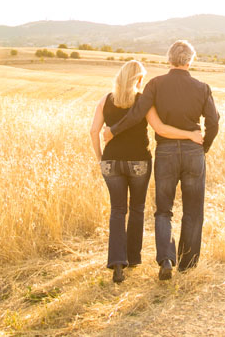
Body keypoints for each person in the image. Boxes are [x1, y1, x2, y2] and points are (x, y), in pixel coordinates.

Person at [104, 40, 220, 280]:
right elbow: (214, 121)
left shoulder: (155, 85)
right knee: (193, 211)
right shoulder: (202, 87)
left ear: (169, 60)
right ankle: (187, 265)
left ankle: (166, 259)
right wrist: (204, 146)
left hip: (165, 153)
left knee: (163, 210)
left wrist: (114, 130)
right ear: (190, 60)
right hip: (193, 153)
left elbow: (136, 114)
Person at [89, 59, 203, 284]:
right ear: (139, 79)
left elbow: (94, 131)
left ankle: (117, 264)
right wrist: (190, 135)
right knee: (137, 209)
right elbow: (160, 128)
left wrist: (100, 158)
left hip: (111, 162)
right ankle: (133, 258)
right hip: (139, 162)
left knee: (117, 210)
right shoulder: (143, 101)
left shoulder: (105, 100)